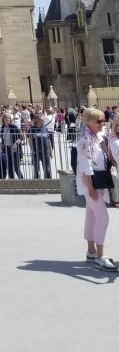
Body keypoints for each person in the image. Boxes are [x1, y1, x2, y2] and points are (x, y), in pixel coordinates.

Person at [77, 108, 116, 270]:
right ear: (89, 122)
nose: (102, 123)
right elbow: (84, 165)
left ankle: (91, 251)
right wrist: (90, 187)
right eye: (98, 121)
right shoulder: (85, 139)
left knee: (92, 217)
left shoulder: (98, 137)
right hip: (91, 183)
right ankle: (100, 256)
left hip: (98, 182)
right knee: (103, 218)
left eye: (103, 120)